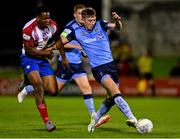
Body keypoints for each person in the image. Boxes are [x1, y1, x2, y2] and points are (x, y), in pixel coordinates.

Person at [18, 4, 110, 130]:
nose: (82, 16)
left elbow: (61, 42)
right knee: (47, 88)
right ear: (75, 15)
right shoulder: (69, 27)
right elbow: (60, 42)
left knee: (83, 88)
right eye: (79, 14)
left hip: (76, 63)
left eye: (84, 14)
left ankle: (94, 115)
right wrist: (73, 50)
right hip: (48, 60)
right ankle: (29, 90)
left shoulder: (85, 27)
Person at [58, 8, 138, 132]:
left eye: (94, 20)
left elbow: (117, 27)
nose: (92, 22)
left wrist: (117, 21)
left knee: (110, 100)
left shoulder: (101, 24)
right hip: (98, 69)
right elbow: (60, 42)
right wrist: (61, 54)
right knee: (115, 91)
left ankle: (94, 121)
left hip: (111, 66)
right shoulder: (76, 31)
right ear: (83, 20)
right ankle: (133, 119)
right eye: (89, 20)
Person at [19, 6, 68, 132]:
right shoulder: (28, 29)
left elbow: (59, 41)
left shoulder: (53, 25)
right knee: (39, 86)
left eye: (49, 17)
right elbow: (29, 50)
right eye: (45, 18)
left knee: (53, 91)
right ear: (38, 18)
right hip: (29, 58)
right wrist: (46, 52)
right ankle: (47, 122)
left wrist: (64, 57)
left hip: (42, 58)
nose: (48, 20)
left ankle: (27, 87)